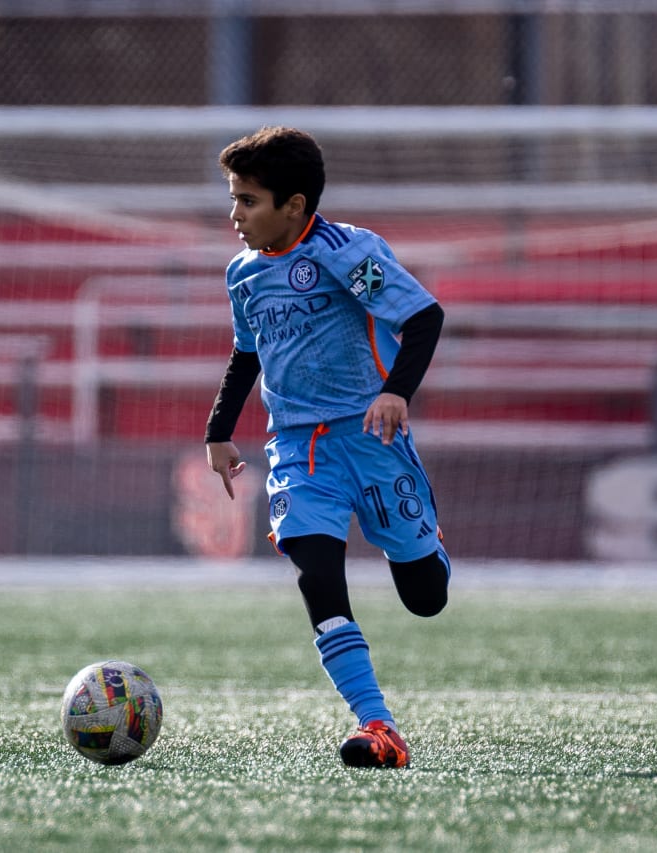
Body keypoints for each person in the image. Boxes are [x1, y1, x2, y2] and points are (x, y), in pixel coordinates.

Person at [204, 126, 451, 769]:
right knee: (316, 571)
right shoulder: (243, 276)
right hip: (297, 449)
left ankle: (428, 544)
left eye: (248, 201)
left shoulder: (349, 254)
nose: (235, 214)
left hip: (372, 439)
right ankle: (378, 725)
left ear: (295, 204)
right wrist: (218, 431)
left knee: (426, 597)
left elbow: (424, 316)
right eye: (233, 198)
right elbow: (246, 354)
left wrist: (396, 391)